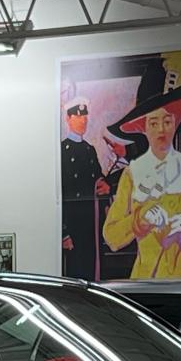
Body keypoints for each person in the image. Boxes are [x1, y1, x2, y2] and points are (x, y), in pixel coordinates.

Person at [102, 86, 181, 279]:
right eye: (153, 122)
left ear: (175, 124)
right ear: (143, 128)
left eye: (167, 121)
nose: (161, 129)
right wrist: (141, 220)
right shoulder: (132, 172)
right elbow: (111, 234)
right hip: (144, 278)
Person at [61, 98, 110, 280]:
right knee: (75, 275)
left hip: (91, 222)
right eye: (78, 117)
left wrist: (105, 186)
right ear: (68, 119)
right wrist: (63, 233)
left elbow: (98, 179)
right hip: (72, 225)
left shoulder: (90, 150)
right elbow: (60, 195)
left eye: (85, 118)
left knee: (92, 271)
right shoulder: (62, 151)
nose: (83, 121)